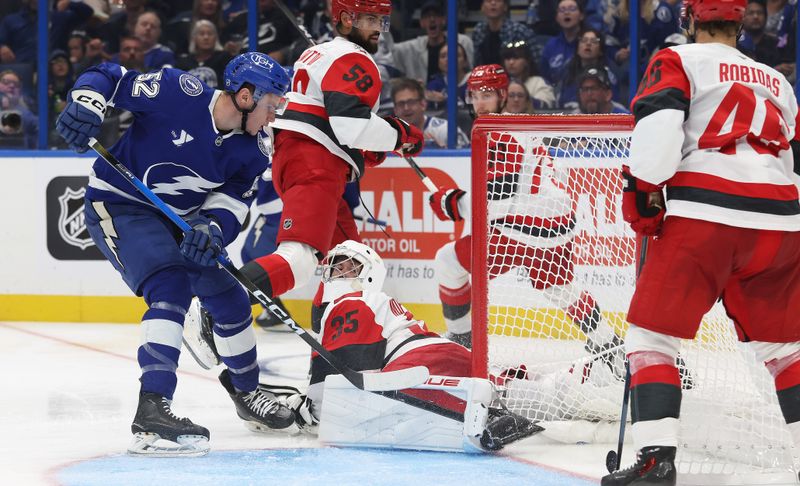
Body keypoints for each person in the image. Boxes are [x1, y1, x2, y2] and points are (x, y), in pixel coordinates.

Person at [54, 52, 297, 457]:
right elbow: (110, 77)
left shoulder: (255, 150)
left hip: (181, 221)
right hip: (120, 205)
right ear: (245, 96)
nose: (274, 116)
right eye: (271, 105)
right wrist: (86, 103)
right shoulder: (177, 91)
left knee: (231, 298)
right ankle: (152, 408)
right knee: (170, 286)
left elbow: (233, 202)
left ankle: (247, 392)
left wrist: (212, 229)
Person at [601, 0, 800, 482]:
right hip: (781, 221)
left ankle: (657, 460)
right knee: (787, 351)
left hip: (705, 214)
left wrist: (644, 190)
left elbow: (659, 129)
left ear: (689, 20)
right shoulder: (777, 81)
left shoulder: (677, 58)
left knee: (651, 338)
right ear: (739, 24)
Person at [186, 240, 543, 451]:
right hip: (454, 362)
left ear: (369, 274)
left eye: (347, 267)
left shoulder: (353, 302)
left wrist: (303, 412)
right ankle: (551, 393)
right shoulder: (368, 304)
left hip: (424, 366)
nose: (336, 274)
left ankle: (486, 416)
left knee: (395, 411)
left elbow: (340, 391)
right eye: (333, 267)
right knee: (528, 396)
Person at [218, 0, 424, 312]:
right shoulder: (353, 58)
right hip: (315, 164)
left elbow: (326, 118)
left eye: (381, 21)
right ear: (346, 19)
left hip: (300, 158)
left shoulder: (314, 55)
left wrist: (361, 151)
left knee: (350, 265)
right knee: (300, 260)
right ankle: (216, 306)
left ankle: (335, 338)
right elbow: (351, 124)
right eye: (370, 19)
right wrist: (399, 135)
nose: (378, 29)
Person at [427, 64, 626, 384]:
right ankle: (609, 344)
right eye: (474, 95)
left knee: (448, 261)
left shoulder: (499, 131)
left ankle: (461, 341)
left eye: (487, 95)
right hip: (559, 221)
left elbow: (499, 192)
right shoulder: (514, 126)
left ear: (503, 95)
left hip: (525, 222)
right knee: (558, 287)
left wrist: (453, 202)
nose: (479, 103)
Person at [392, 0, 474, 83]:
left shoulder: (461, 42)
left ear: (443, 20)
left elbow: (470, 72)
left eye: (436, 16)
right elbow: (390, 50)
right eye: (427, 16)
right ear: (422, 23)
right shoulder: (413, 46)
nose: (432, 19)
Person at [392, 77, 469, 149]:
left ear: (423, 104)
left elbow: (465, 157)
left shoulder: (445, 130)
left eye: (411, 102)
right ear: (395, 110)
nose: (406, 108)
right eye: (401, 104)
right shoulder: (388, 135)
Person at [472, 0, 538, 67]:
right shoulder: (478, 31)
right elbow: (475, 61)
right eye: (488, 0)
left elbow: (535, 60)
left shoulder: (519, 31)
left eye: (498, 0)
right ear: (482, 7)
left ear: (505, 7)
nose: (493, 3)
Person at [175, 19, 233, 89]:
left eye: (210, 34)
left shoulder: (225, 59)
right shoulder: (183, 62)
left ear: (216, 38)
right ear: (194, 38)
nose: (206, 37)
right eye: (201, 34)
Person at [499, 40, 556, 109]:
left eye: (516, 58)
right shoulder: (499, 84)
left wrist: (523, 98)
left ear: (526, 61)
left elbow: (547, 106)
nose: (511, 62)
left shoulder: (538, 82)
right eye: (507, 58)